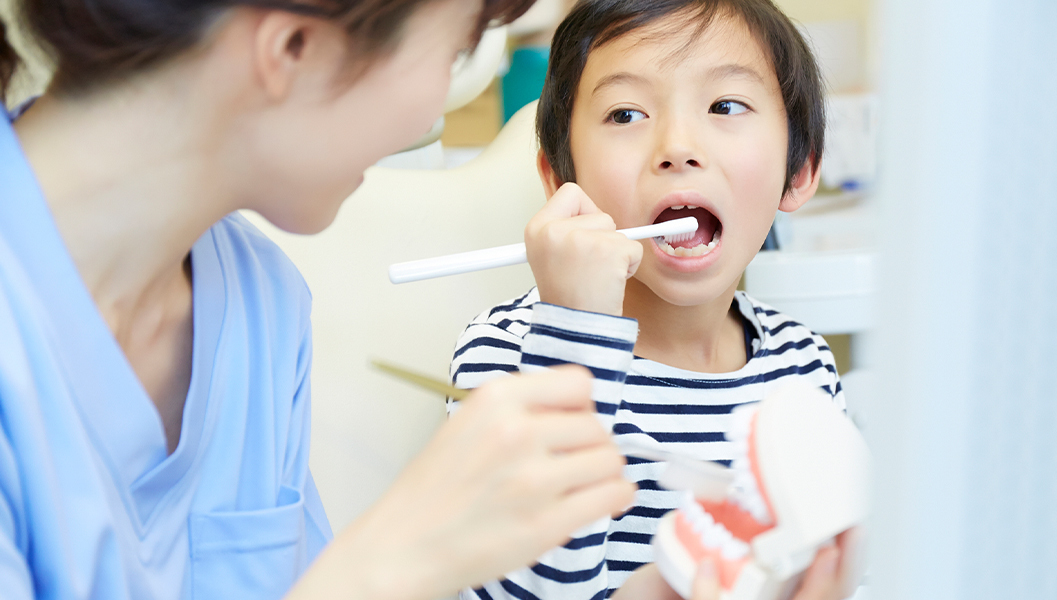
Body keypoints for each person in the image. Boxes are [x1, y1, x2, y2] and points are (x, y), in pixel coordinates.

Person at [0, 0, 642, 598]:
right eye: (450, 53)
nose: (427, 117)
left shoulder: (259, 303)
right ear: (293, 47)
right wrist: (399, 555)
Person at [448, 0, 864, 599]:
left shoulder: (803, 364)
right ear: (560, 181)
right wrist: (576, 337)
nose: (678, 146)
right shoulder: (508, 356)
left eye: (725, 106)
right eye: (626, 113)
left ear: (798, 170)